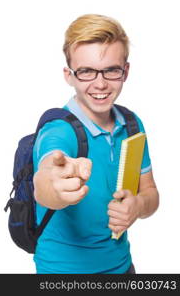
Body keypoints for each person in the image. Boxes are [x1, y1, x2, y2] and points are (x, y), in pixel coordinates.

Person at [33, 14, 159, 274]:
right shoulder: (58, 130)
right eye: (87, 71)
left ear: (126, 71)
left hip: (123, 269)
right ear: (69, 75)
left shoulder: (133, 125)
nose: (100, 84)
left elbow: (150, 193)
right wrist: (55, 188)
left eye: (111, 70)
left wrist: (138, 206)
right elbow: (45, 181)